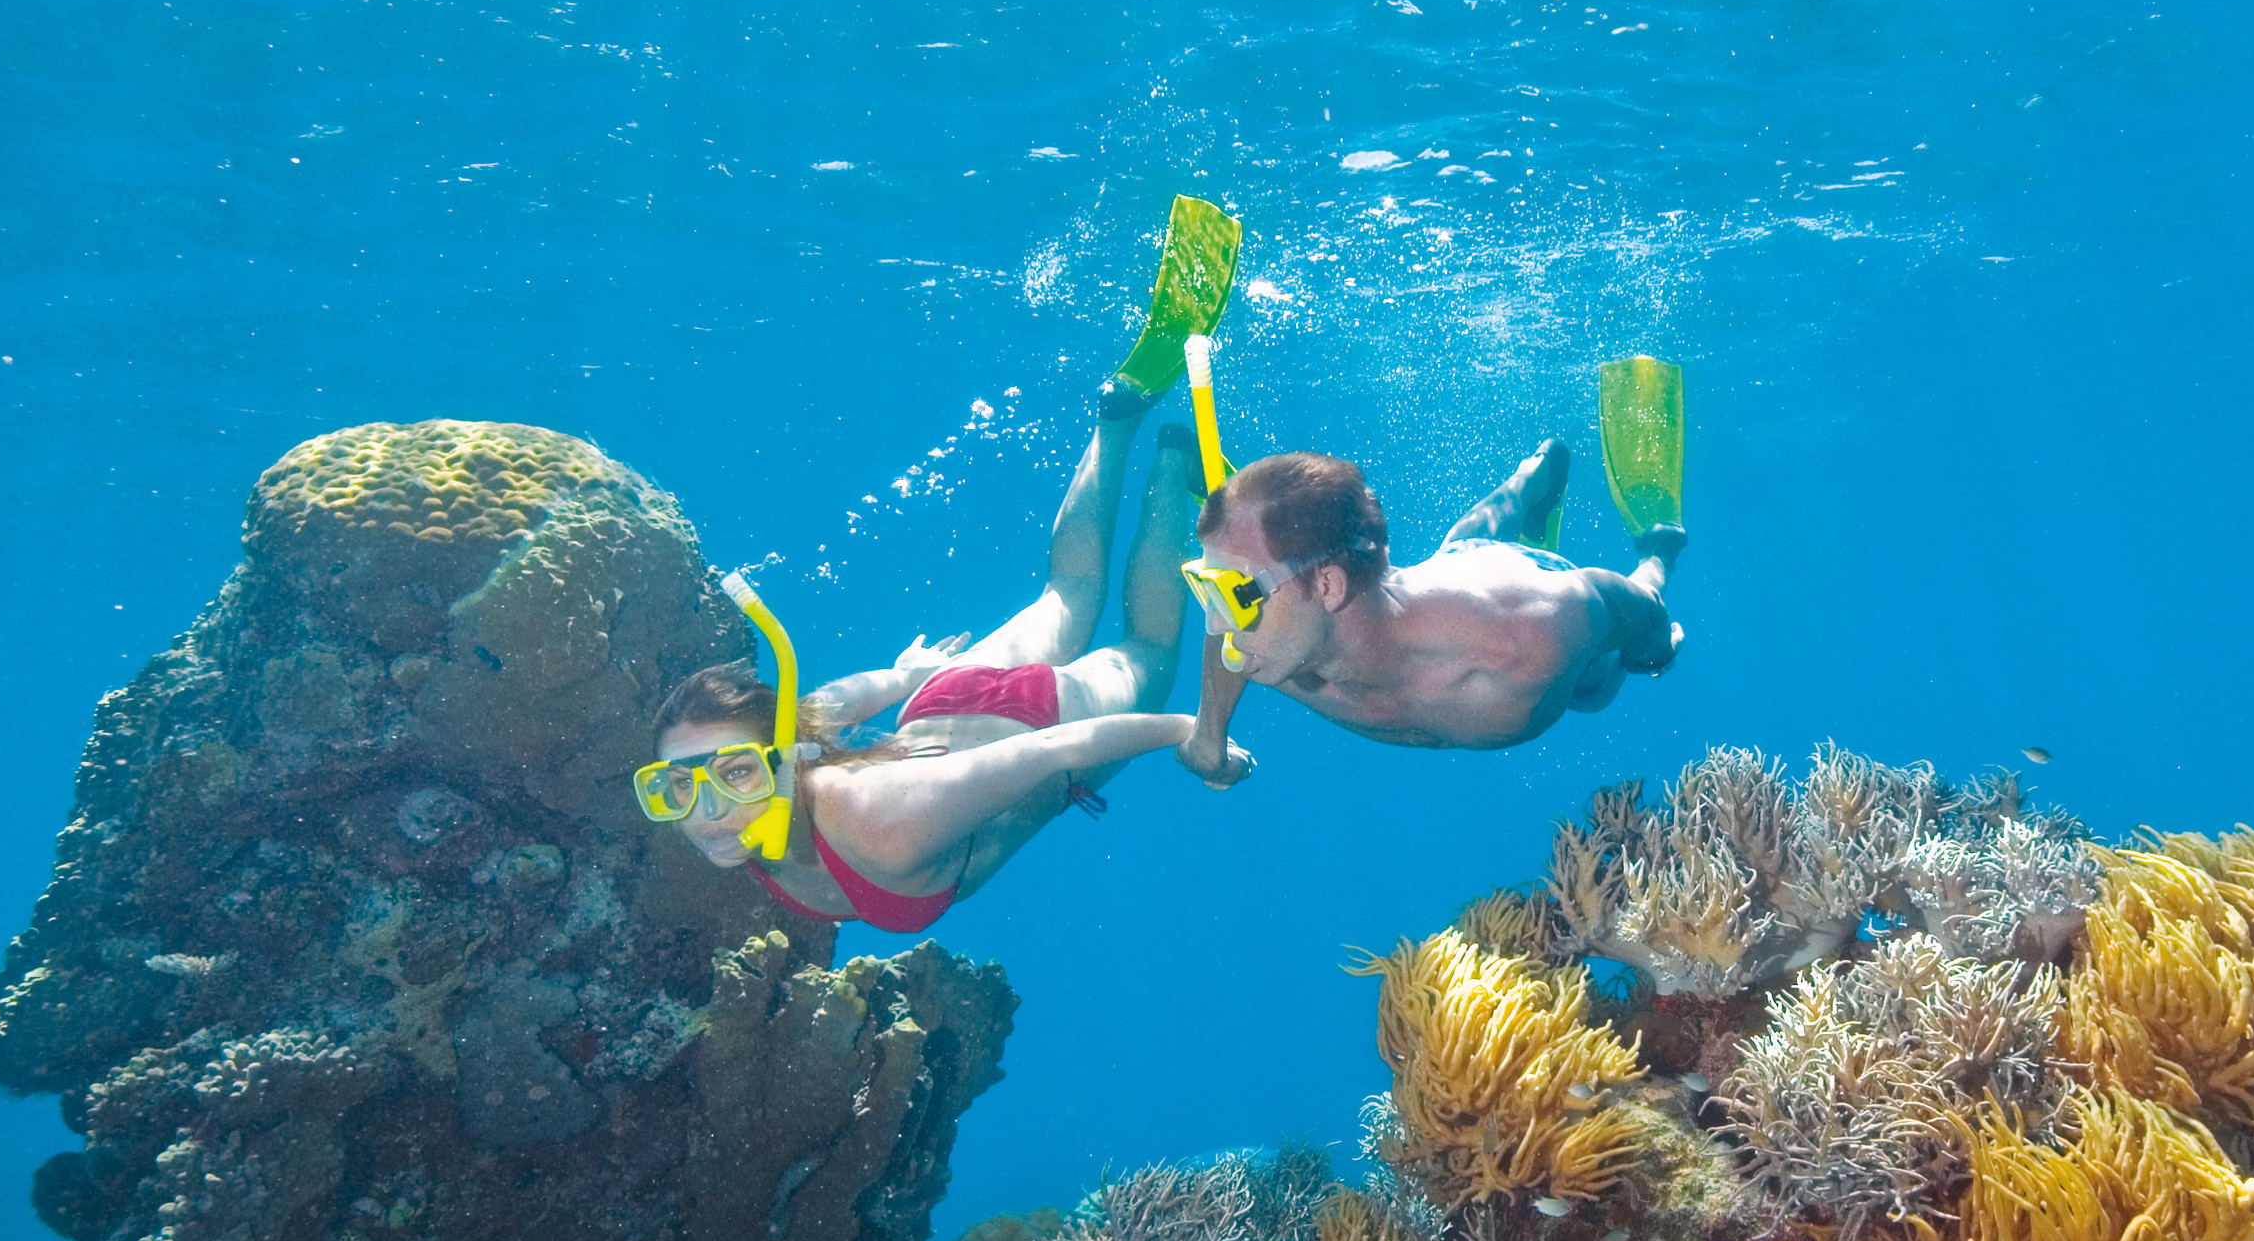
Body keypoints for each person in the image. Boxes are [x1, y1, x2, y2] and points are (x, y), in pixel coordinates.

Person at [638, 389, 1209, 931]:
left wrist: (1197, 731)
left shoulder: (881, 822)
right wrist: (904, 677)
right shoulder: (782, 750)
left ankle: (1173, 460)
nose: (707, 810)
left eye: (738, 772)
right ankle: (1115, 419)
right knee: (1070, 588)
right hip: (941, 697)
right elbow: (824, 706)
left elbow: (1054, 749)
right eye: (678, 784)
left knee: (1149, 647)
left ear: (785, 760)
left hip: (1038, 719)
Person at [1174, 436, 1683, 776]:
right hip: (1439, 581)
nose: (1216, 624)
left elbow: (1623, 606)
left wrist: (1654, 650)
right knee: (1459, 547)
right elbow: (1225, 636)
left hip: (1507, 586)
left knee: (1596, 691)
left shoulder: (1529, 639)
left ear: (1328, 586)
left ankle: (1656, 550)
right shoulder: (1270, 640)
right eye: (1206, 586)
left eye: (1233, 594)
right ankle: (1534, 479)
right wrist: (1208, 741)